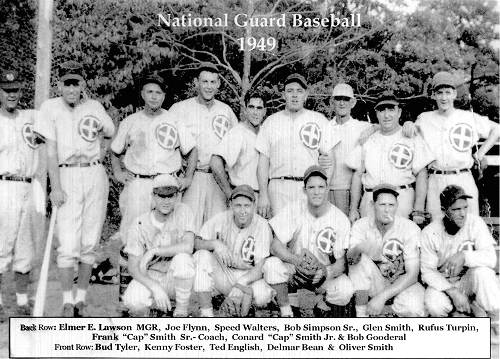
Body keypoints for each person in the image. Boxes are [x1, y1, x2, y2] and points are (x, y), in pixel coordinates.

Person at [34, 61, 115, 317]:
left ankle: (81, 299)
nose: (71, 88)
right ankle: (67, 301)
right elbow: (50, 151)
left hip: (94, 173)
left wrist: (100, 153)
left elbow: (110, 132)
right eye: (67, 83)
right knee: (68, 244)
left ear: (82, 85)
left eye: (76, 83)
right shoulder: (50, 108)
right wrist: (54, 186)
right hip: (66, 174)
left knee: (89, 242)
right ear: (60, 85)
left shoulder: (94, 107)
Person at [111, 73, 197, 241]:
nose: (154, 97)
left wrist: (187, 179)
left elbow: (192, 150)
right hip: (139, 184)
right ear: (142, 94)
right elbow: (115, 151)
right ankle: (130, 266)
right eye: (150, 92)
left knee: (168, 234)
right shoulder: (131, 121)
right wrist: (118, 173)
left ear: (164, 96)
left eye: (158, 93)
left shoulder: (174, 120)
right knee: (133, 232)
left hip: (167, 182)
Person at [263, 166, 351, 317]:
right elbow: (275, 247)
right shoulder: (294, 209)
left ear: (328, 188)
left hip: (321, 274)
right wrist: (296, 261)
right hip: (295, 270)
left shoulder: (340, 218)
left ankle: (319, 305)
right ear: (304, 190)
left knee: (345, 289)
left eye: (321, 187)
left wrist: (325, 272)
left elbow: (341, 263)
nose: (316, 192)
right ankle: (286, 312)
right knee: (271, 266)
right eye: (311, 187)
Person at [415, 71, 500, 219]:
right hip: (436, 179)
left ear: (454, 94)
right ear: (433, 95)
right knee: (438, 225)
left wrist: (479, 154)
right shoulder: (424, 119)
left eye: (448, 92)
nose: (443, 97)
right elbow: (411, 134)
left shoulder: (467, 117)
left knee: (467, 226)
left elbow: (496, 129)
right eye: (439, 93)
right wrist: (408, 123)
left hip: (463, 177)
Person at [256, 74, 338, 218]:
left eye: (299, 91)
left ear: (305, 95)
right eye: (290, 91)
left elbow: (330, 159)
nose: (295, 95)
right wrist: (263, 194)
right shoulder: (271, 122)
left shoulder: (318, 120)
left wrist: (324, 190)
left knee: (305, 236)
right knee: (278, 235)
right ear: (283, 95)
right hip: (278, 188)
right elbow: (263, 162)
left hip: (307, 188)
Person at [169, 63, 238, 230]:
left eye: (213, 82)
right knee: (187, 227)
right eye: (205, 81)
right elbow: (167, 145)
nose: (209, 86)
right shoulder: (179, 109)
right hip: (192, 177)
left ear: (219, 84)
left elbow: (237, 146)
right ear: (196, 82)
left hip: (218, 179)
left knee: (217, 228)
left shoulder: (226, 111)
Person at [346, 93, 434, 223]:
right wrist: (353, 208)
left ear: (399, 112)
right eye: (382, 110)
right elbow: (358, 174)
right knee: (371, 242)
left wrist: (418, 209)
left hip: (402, 199)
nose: (386, 115)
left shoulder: (410, 136)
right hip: (371, 200)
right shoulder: (368, 138)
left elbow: (421, 172)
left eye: (391, 109)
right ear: (376, 113)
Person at [420, 185, 499, 328]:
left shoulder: (475, 223)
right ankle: (459, 324)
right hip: (445, 282)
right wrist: (453, 292)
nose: (462, 213)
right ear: (444, 211)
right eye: (456, 209)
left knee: (484, 273)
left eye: (465, 207)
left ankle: (496, 326)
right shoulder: (430, 232)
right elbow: (427, 271)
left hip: (469, 280)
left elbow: (491, 258)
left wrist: (464, 256)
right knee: (434, 306)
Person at [193, 184, 274, 317]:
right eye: (238, 205)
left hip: (248, 276)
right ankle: (207, 313)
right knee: (201, 255)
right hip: (224, 273)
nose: (243, 211)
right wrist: (215, 244)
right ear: (230, 205)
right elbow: (196, 243)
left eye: (247, 206)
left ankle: (242, 306)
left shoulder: (262, 225)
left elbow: (260, 267)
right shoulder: (220, 219)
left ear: (254, 205)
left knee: (262, 297)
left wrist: (241, 283)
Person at [346, 184, 426, 317]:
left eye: (391, 205)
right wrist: (359, 248)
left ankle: (381, 312)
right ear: (372, 205)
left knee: (415, 308)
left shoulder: (409, 228)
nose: (387, 210)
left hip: (401, 283)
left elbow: (412, 275)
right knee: (359, 260)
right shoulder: (361, 225)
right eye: (382, 205)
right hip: (375, 282)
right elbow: (350, 261)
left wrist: (381, 298)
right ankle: (362, 315)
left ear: (397, 206)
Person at [122, 174, 195, 317]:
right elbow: (133, 268)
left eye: (170, 196)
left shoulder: (183, 211)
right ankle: (158, 309)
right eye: (161, 196)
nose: (166, 201)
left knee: (183, 259)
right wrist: (155, 288)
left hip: (176, 277)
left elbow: (188, 246)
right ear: (153, 196)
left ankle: (181, 311)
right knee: (133, 301)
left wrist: (154, 251)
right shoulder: (140, 223)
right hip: (151, 276)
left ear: (177, 196)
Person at [0, 70, 41, 319]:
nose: (11, 95)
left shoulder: (30, 118)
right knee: (2, 243)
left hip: (29, 184)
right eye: (6, 90)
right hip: (4, 184)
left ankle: (22, 302)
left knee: (26, 245)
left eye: (15, 90)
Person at [322, 83, 373, 215]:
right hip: (325, 190)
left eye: (346, 99)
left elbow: (385, 128)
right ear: (332, 102)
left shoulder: (361, 126)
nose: (342, 103)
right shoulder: (324, 127)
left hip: (351, 191)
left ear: (353, 102)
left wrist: (373, 129)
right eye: (338, 99)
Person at [210, 92, 266, 199]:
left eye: (259, 108)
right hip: (242, 194)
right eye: (251, 107)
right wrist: (229, 193)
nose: (255, 112)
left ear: (264, 111)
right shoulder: (237, 133)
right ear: (245, 110)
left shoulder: (266, 132)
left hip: (262, 196)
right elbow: (215, 162)